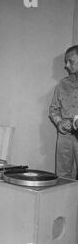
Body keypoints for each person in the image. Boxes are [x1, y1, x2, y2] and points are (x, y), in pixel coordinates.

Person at [49, 45, 78, 179]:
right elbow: (54, 109)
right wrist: (59, 122)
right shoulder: (63, 84)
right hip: (65, 137)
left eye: (70, 61)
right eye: (66, 61)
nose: (66, 65)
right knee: (62, 177)